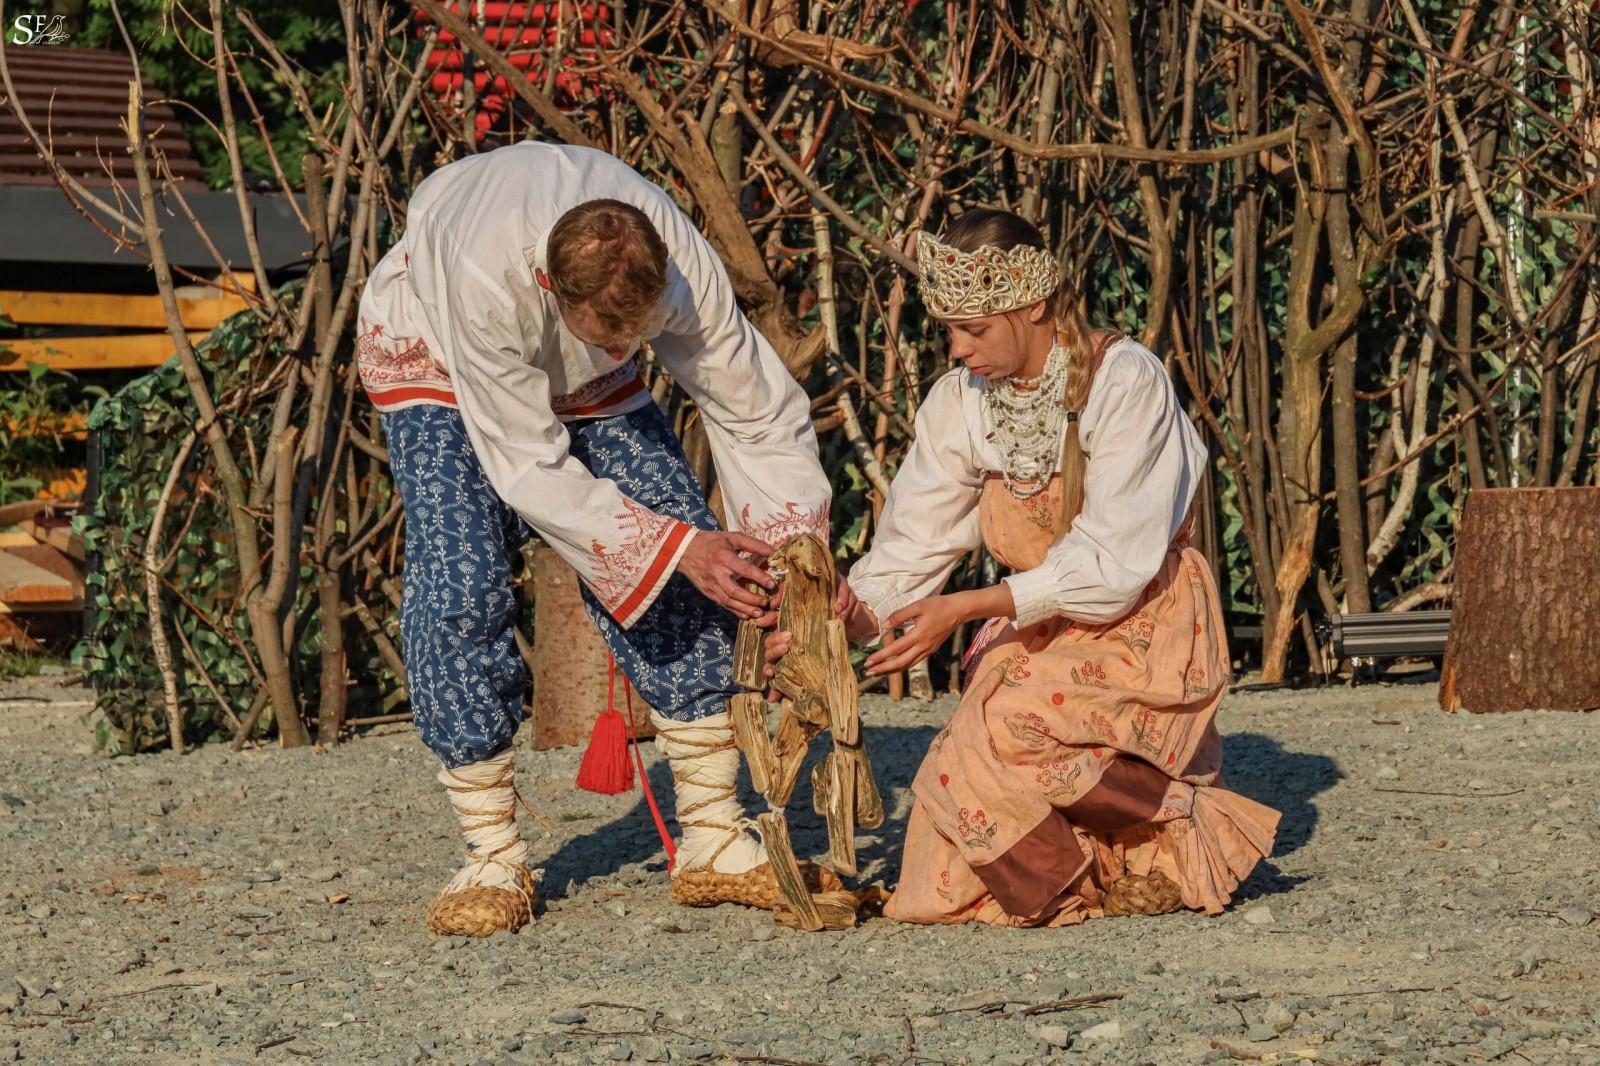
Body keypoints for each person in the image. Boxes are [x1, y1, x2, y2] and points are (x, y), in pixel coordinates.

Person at [356, 142, 836, 936]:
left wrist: (791, 556)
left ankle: (713, 834)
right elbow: (527, 467)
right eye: (608, 338)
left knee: (680, 523)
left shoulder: (675, 262)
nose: (622, 355)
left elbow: (752, 405)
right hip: (437, 354)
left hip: (570, 357)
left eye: (634, 339)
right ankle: (492, 855)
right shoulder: (485, 284)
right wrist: (682, 547)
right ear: (550, 284)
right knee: (460, 577)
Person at [771, 207, 1278, 926]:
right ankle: (1078, 876)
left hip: (1138, 621)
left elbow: (1113, 564)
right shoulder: (962, 402)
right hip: (1037, 623)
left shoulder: (1124, 379)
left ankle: (1181, 824)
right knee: (955, 780)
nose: (957, 348)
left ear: (1035, 304)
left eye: (974, 328)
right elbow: (913, 544)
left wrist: (971, 609)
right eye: (950, 328)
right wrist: (846, 618)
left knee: (1011, 720)